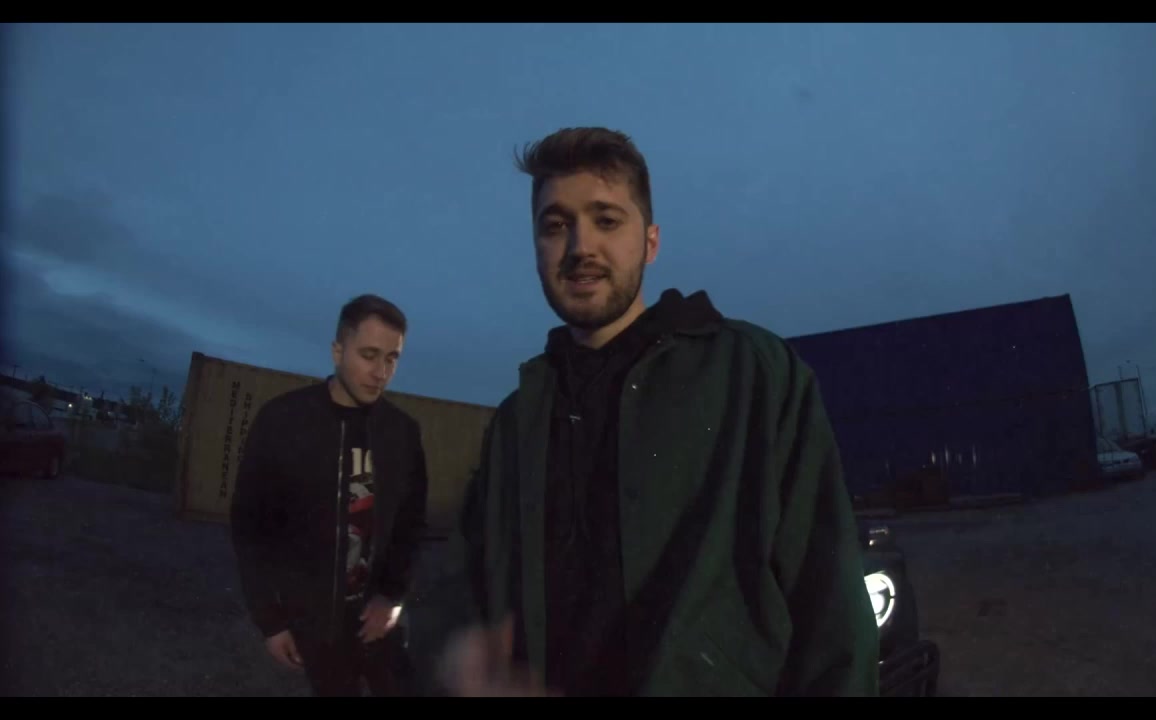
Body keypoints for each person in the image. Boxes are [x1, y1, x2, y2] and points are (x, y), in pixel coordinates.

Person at [436, 128, 880, 697]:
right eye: (555, 226)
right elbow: (461, 581)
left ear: (650, 242)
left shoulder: (751, 374)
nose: (580, 247)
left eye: (606, 220)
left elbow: (832, 605)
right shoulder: (516, 420)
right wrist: (456, 648)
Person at [231, 293, 430, 696]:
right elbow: (250, 530)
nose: (381, 372)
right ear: (338, 351)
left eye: (392, 358)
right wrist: (272, 622)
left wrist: (392, 596)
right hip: (316, 625)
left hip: (377, 618)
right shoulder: (284, 421)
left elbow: (410, 526)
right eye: (369, 355)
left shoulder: (402, 433)